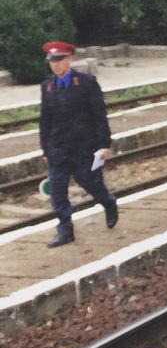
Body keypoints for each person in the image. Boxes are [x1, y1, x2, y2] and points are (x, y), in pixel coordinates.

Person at [39, 41, 119, 248]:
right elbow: (45, 119)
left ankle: (108, 202)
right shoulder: (47, 85)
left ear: (70, 59)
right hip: (58, 148)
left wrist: (104, 145)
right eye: (51, 61)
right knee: (57, 190)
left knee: (90, 183)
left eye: (59, 60)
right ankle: (65, 231)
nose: (55, 65)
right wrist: (45, 148)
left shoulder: (86, 82)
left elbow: (99, 116)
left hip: (84, 147)